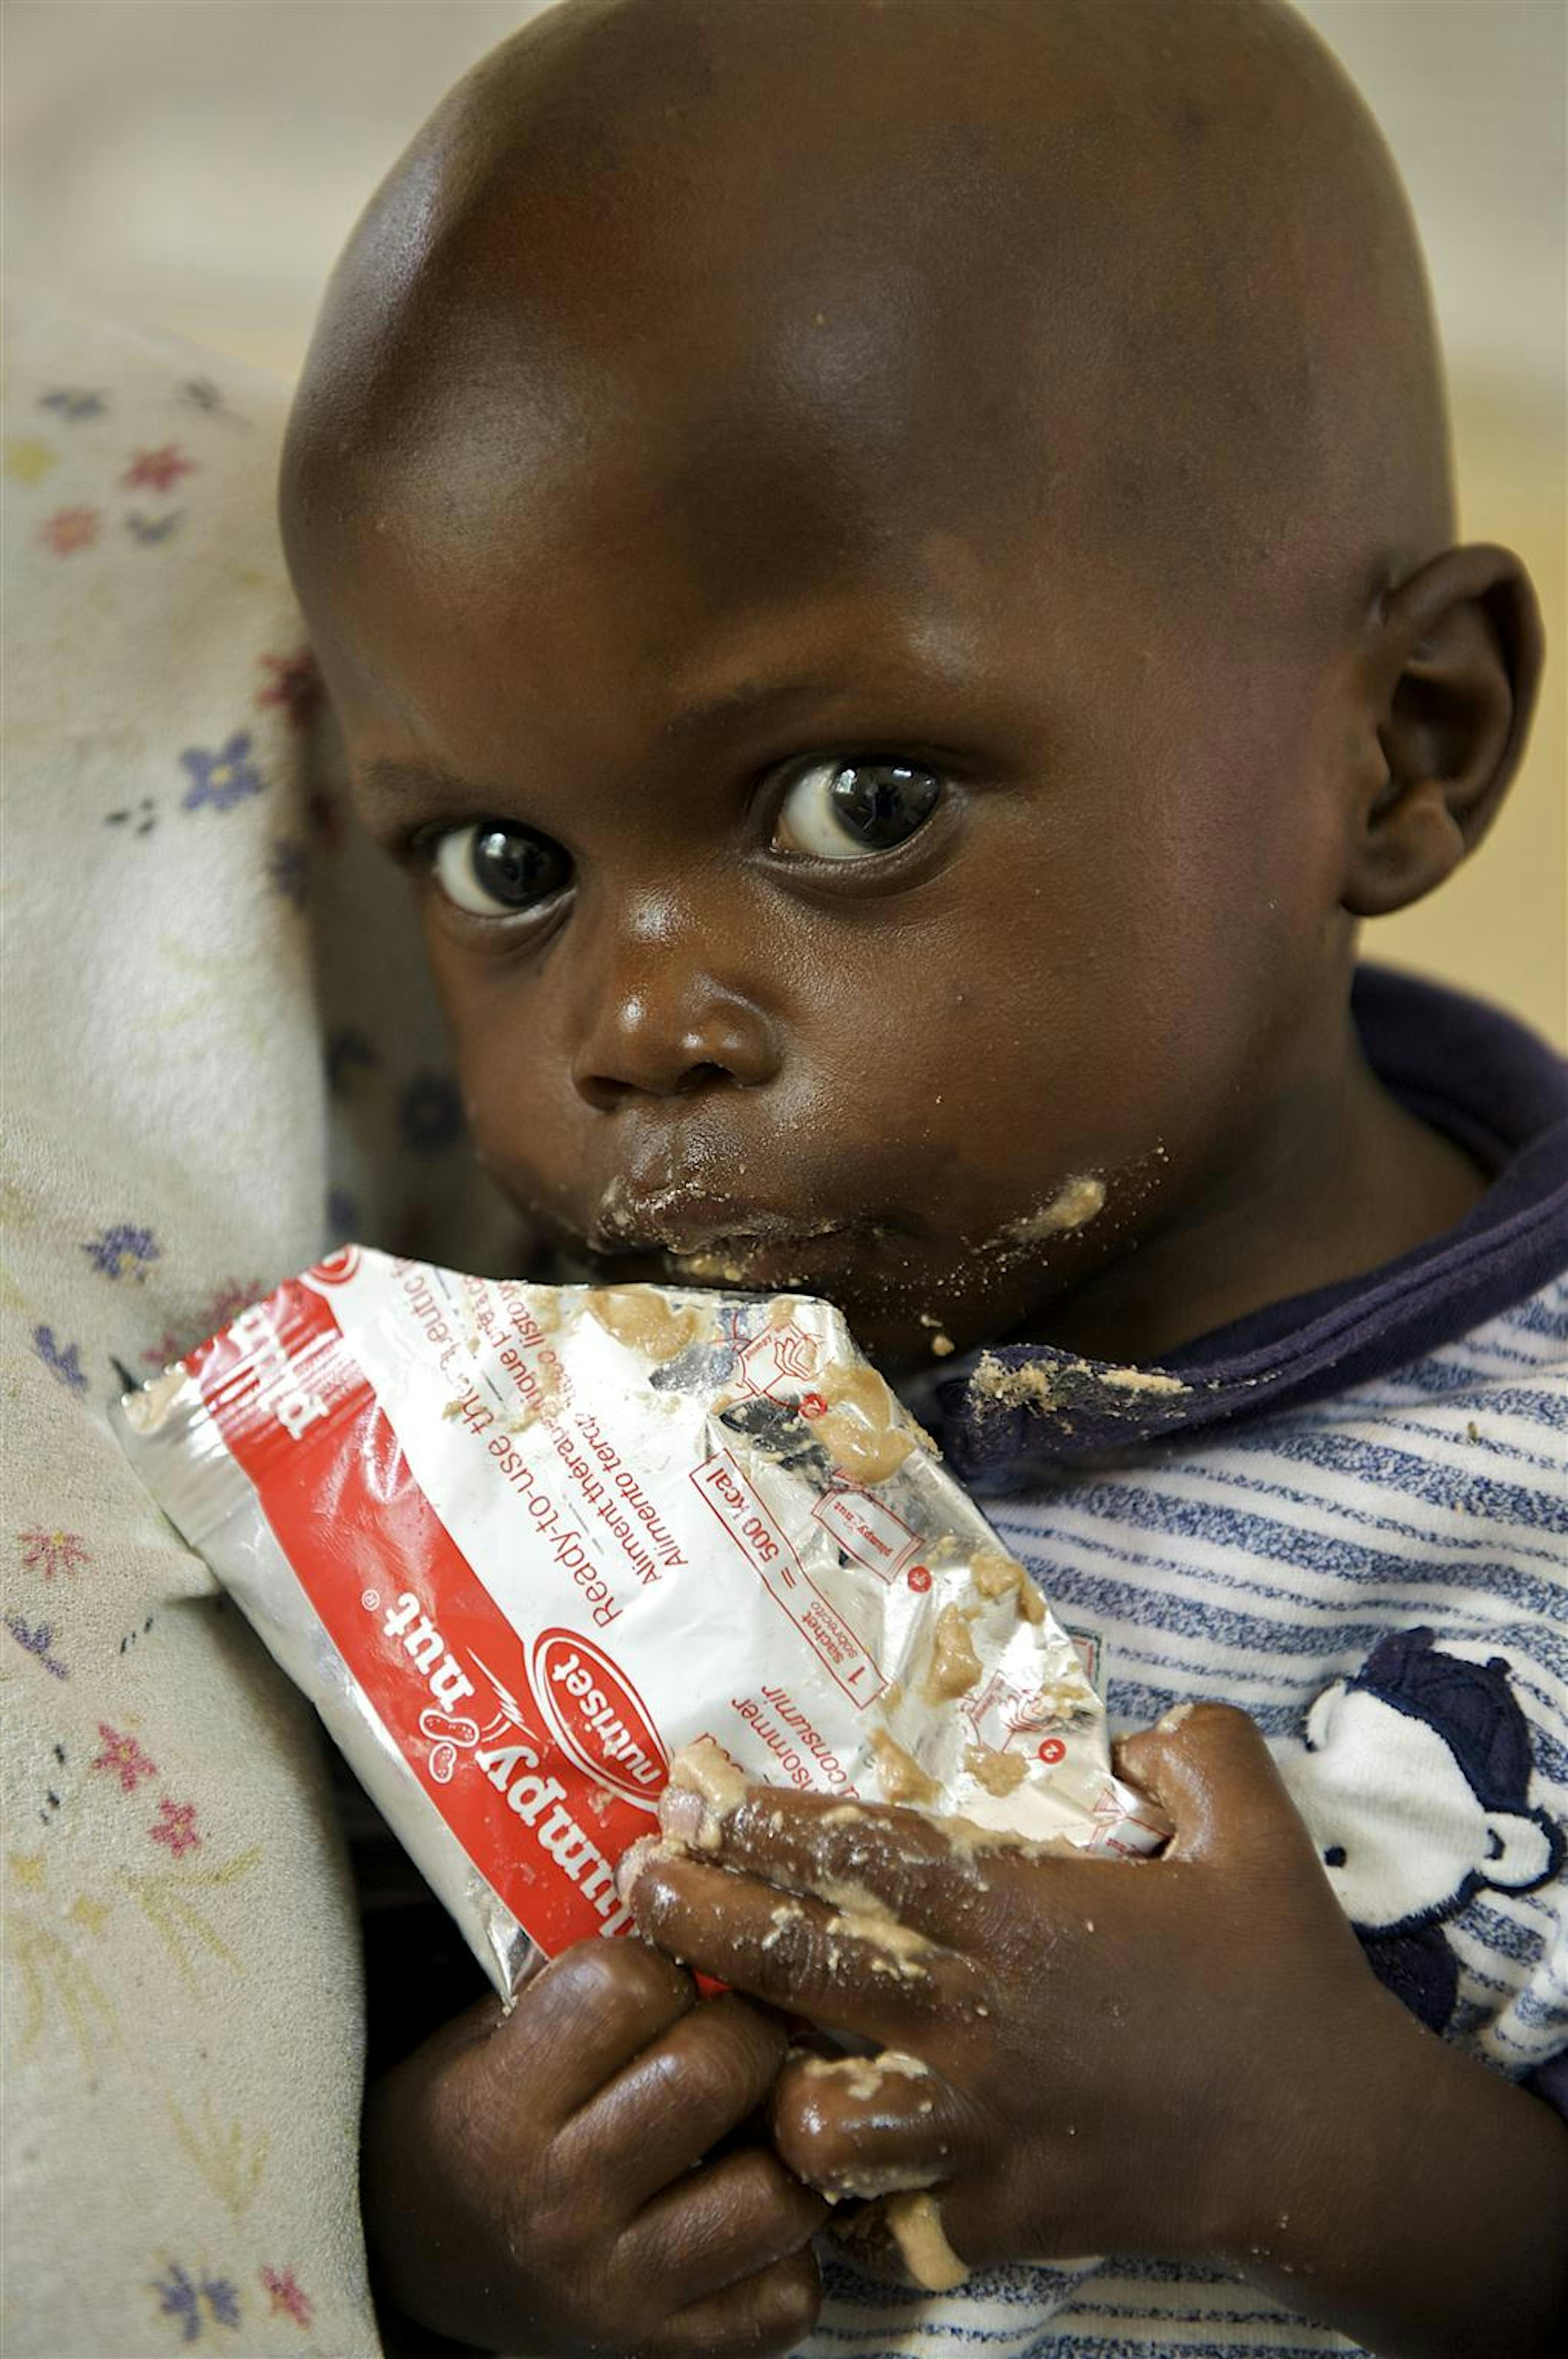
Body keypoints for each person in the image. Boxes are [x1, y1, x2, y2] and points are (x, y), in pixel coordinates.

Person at [276, 2, 1568, 2353]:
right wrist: (467, 2220)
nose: (633, 1024)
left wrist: (1336, 2161)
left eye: (855, 805)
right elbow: (261, 2077)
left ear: (1401, 744)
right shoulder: (494, 1452)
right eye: (503, 860)